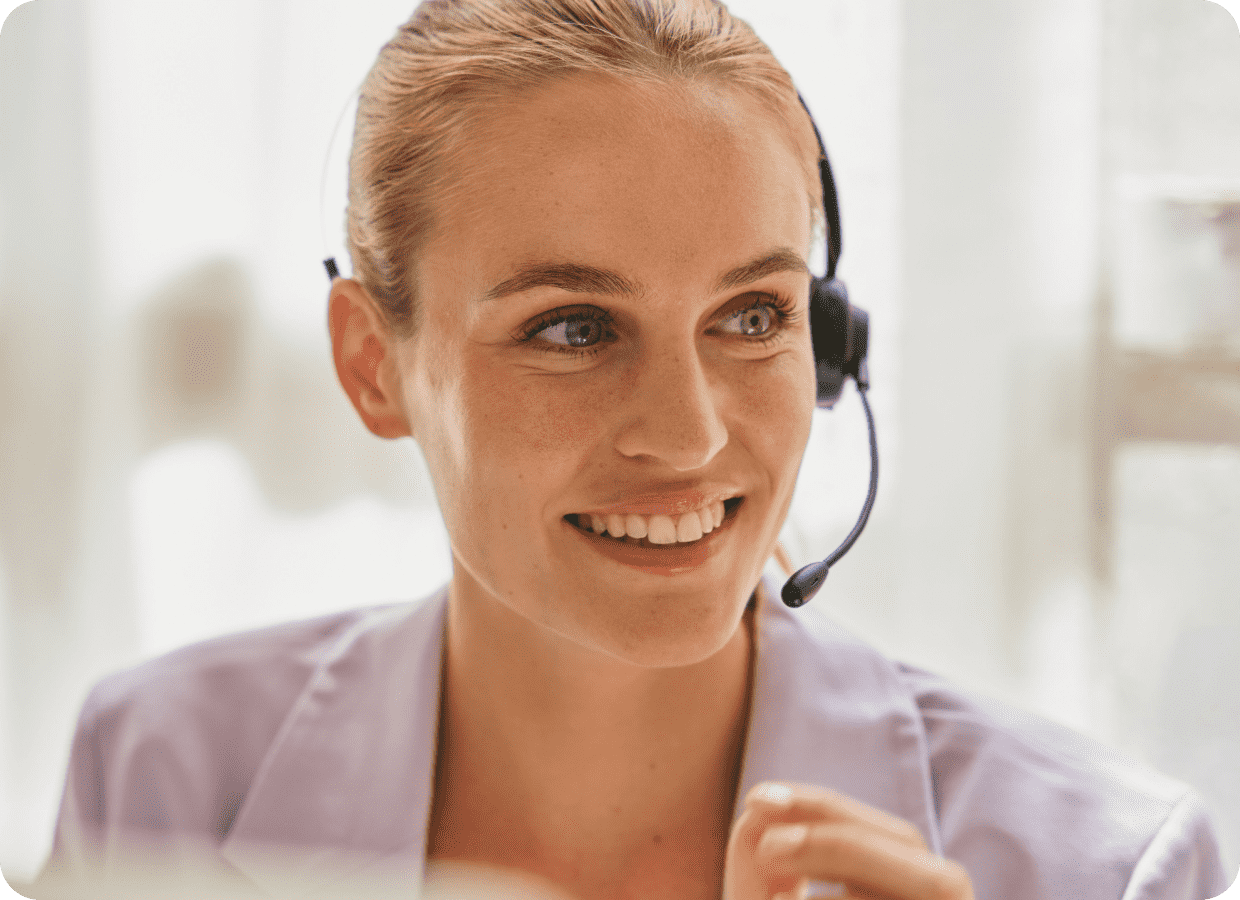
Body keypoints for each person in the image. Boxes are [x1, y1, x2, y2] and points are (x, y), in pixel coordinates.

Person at [36, 1, 1232, 899]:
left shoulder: (1110, 867)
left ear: (821, 346)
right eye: (574, 327)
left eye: (752, 316)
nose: (690, 432)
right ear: (373, 365)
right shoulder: (158, 773)